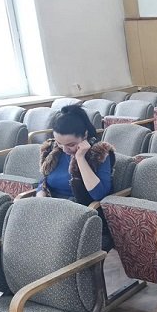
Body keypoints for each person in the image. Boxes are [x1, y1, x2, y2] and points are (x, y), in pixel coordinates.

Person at [37, 104, 115, 248]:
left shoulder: (99, 154)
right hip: (52, 210)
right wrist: (40, 197)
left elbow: (98, 194)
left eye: (71, 145)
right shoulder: (54, 151)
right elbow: (43, 181)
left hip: (79, 214)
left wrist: (80, 158)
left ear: (84, 135)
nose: (65, 150)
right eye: (60, 143)